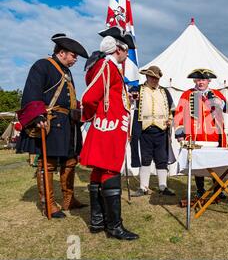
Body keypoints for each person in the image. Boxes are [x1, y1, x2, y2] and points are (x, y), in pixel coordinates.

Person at [16, 34, 89, 219]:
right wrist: (38, 114)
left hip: (68, 124)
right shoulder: (42, 65)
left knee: (71, 161)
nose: (75, 59)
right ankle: (48, 203)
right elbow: (32, 91)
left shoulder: (67, 72)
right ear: (62, 52)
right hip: (51, 121)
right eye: (73, 55)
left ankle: (68, 199)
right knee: (47, 164)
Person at [80, 26, 139, 240]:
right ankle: (114, 227)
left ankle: (97, 222)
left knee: (99, 171)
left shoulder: (112, 69)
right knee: (110, 171)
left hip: (110, 127)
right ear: (118, 49)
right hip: (109, 129)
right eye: (125, 51)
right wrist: (95, 116)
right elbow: (88, 98)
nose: (126, 55)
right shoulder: (107, 66)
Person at [173, 68, 228, 198]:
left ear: (209, 81)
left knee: (217, 164)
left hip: (214, 136)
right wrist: (180, 134)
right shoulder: (187, 94)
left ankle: (218, 190)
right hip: (195, 136)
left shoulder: (216, 94)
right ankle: (200, 190)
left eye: (204, 80)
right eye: (199, 79)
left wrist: (222, 103)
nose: (201, 82)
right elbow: (179, 114)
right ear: (195, 80)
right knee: (197, 165)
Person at [130, 66, 176, 197]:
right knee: (145, 159)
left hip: (161, 131)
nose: (155, 80)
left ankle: (163, 186)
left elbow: (173, 109)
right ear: (147, 77)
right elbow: (128, 99)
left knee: (161, 159)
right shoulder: (138, 89)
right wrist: (131, 95)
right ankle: (143, 187)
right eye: (152, 77)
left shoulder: (164, 92)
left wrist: (170, 119)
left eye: (157, 78)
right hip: (145, 131)